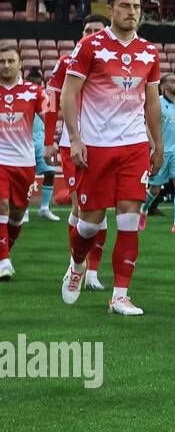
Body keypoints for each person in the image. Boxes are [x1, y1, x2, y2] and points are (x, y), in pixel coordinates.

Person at [58, 0, 163, 314]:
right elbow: (69, 94)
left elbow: (152, 102)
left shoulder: (149, 51)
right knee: (89, 223)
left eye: (136, 6)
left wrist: (157, 143)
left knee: (130, 219)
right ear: (110, 9)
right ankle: (77, 264)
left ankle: (120, 295)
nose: (132, 12)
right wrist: (75, 138)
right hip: (96, 146)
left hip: (133, 146)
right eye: (125, 6)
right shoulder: (90, 46)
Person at [42, 15, 110, 289]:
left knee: (100, 210)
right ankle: (77, 263)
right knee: (81, 206)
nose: (91, 34)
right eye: (87, 29)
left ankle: (91, 271)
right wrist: (49, 141)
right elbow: (52, 104)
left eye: (97, 30)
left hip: (106, 144)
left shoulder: (115, 61)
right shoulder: (65, 63)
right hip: (74, 144)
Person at [0, 44, 42, 280]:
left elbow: (51, 114)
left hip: (25, 162)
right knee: (2, 206)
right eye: (1, 61)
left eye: (10, 61)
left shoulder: (34, 91)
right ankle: (4, 262)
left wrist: (49, 142)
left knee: (17, 214)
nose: (5, 65)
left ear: (19, 65)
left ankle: (3, 255)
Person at [143, 73, 175, 234]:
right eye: (172, 81)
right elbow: (148, 127)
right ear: (163, 87)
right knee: (155, 189)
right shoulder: (157, 104)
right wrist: (155, 147)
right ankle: (143, 211)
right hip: (161, 150)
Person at [26, 67, 59, 221]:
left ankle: (44, 208)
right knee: (26, 176)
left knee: (50, 172)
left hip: (42, 141)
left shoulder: (46, 96)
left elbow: (53, 114)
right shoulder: (22, 97)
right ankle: (23, 208)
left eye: (38, 84)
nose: (36, 87)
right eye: (33, 84)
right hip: (24, 140)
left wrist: (53, 134)